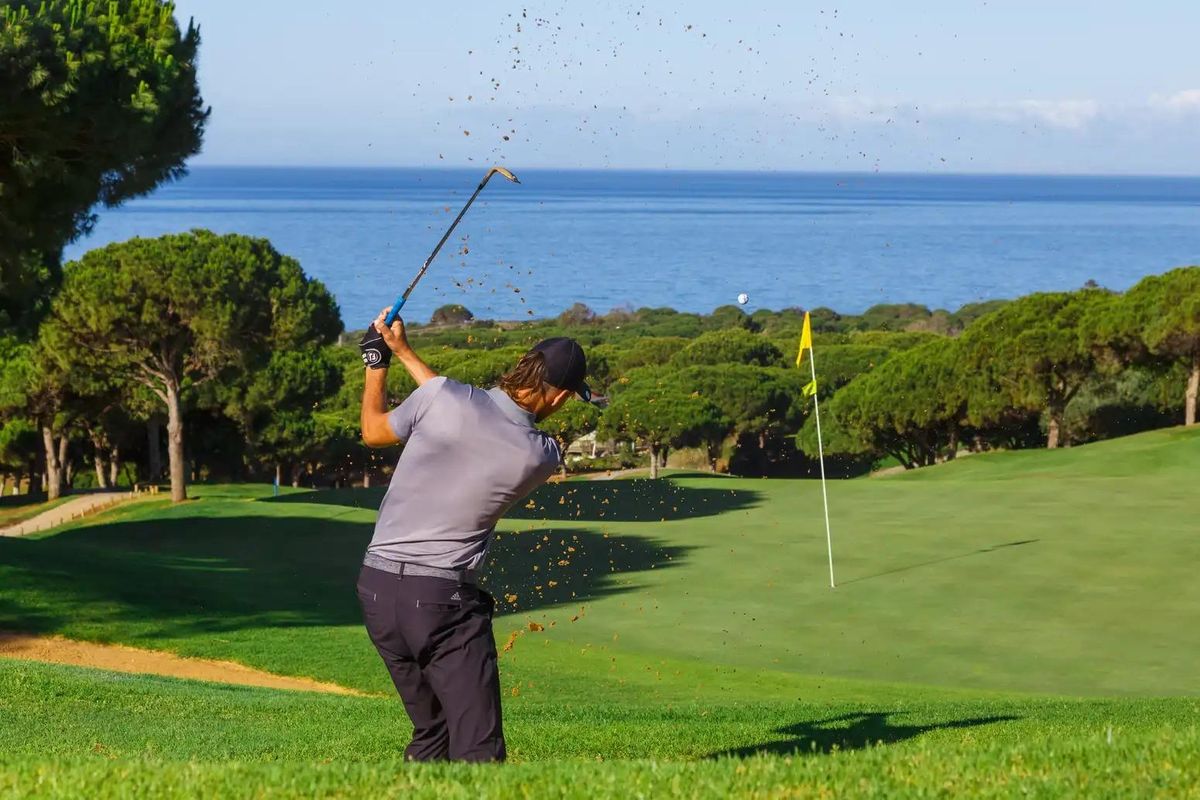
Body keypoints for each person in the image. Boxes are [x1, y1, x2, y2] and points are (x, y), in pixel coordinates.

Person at [356, 308, 602, 762]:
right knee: (478, 749)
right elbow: (464, 413)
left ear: (523, 365)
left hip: (376, 592)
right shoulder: (539, 455)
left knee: (432, 733)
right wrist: (404, 354)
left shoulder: (439, 398)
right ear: (562, 397)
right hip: (439, 603)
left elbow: (376, 429)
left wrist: (379, 361)